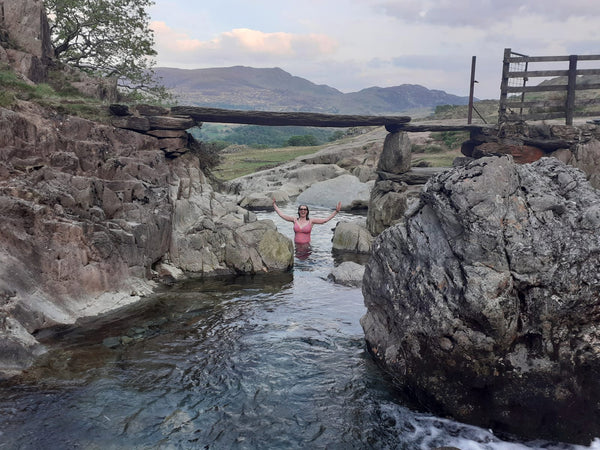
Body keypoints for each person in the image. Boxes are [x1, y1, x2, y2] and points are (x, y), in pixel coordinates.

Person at [272, 199, 342, 245]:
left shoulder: (311, 221)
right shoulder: (294, 220)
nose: (303, 211)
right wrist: (274, 205)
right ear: (299, 211)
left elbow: (325, 220)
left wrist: (336, 212)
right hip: (296, 246)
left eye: (305, 209)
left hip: (307, 247)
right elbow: (282, 215)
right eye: (301, 209)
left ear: (307, 211)